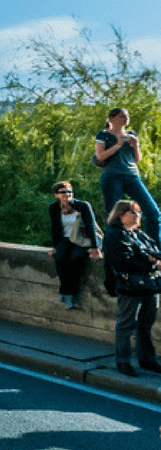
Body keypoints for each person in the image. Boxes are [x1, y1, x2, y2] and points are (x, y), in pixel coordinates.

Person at [103, 200, 161, 377]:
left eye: (139, 212)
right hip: (131, 286)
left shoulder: (138, 234)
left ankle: (147, 360)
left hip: (150, 285)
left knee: (146, 324)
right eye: (134, 212)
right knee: (126, 325)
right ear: (120, 215)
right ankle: (123, 361)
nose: (138, 216)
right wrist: (152, 263)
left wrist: (153, 259)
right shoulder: (114, 234)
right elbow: (124, 262)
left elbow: (155, 250)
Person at [95, 107, 161, 245]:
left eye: (127, 116)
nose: (126, 119)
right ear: (112, 119)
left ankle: (155, 248)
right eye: (122, 116)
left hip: (132, 176)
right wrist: (118, 144)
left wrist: (136, 145)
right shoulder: (103, 135)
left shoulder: (131, 134)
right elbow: (100, 156)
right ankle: (115, 247)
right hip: (112, 177)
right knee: (113, 215)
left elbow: (137, 159)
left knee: (153, 211)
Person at [47, 181, 102, 309]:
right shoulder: (54, 208)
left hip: (82, 241)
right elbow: (54, 229)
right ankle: (66, 292)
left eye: (69, 191)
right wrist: (54, 247)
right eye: (63, 192)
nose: (67, 194)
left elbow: (91, 226)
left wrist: (95, 248)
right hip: (65, 240)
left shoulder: (82, 205)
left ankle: (68, 294)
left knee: (75, 259)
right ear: (56, 195)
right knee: (59, 258)